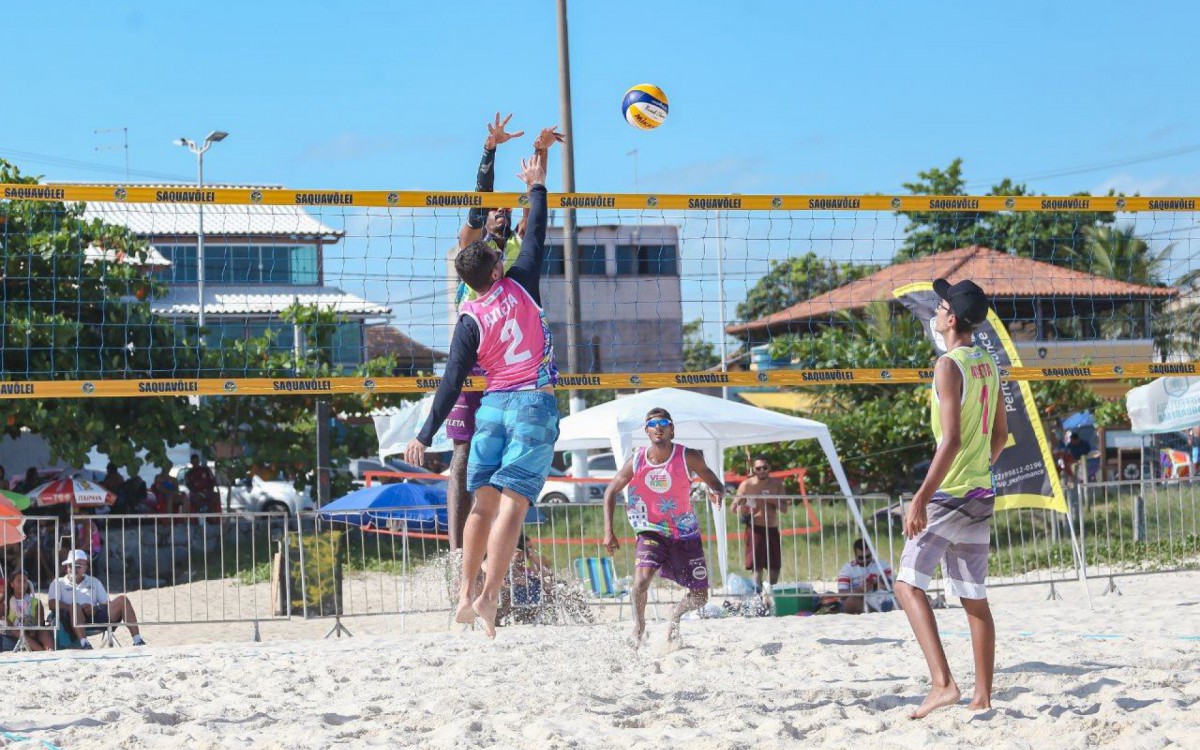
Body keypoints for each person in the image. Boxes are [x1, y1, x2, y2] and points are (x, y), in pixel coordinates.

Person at [405, 135, 563, 639]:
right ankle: (490, 596)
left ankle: (462, 594)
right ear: (495, 266)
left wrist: (423, 433)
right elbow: (536, 228)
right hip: (532, 403)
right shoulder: (521, 281)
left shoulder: (468, 316)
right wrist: (537, 185)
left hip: (491, 405)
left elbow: (452, 379)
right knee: (513, 505)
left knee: (483, 504)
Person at [443, 115, 561, 551]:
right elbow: (479, 204)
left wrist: (542, 150)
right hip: (473, 349)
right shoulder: (470, 244)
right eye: (493, 209)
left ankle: (510, 553)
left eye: (503, 210)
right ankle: (459, 554)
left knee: (514, 461)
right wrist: (489, 149)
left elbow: (538, 211)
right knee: (462, 455)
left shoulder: (512, 251)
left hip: (515, 362)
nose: (497, 213)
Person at [895, 278, 1007, 719]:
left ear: (953, 318)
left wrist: (922, 497)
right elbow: (998, 437)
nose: (933, 313)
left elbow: (952, 439)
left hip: (950, 493)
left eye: (940, 306)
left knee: (906, 585)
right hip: (980, 492)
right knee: (972, 596)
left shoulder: (948, 365)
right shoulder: (990, 362)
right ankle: (983, 696)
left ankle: (942, 684)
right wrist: (979, 472)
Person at [602, 408, 726, 647]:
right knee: (640, 583)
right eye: (652, 423)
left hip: (684, 533)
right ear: (647, 431)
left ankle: (675, 617)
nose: (658, 427)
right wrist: (609, 531)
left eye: (663, 423)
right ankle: (639, 628)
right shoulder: (637, 459)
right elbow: (610, 491)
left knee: (700, 596)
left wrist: (717, 493)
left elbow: (716, 483)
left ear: (672, 429)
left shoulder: (688, 456)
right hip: (651, 529)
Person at [48, 550, 145, 648]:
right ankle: (84, 643)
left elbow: (105, 602)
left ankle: (137, 640)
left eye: (77, 566)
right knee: (75, 606)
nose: (73, 569)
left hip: (94, 613)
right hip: (71, 618)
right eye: (70, 566)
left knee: (122, 600)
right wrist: (71, 607)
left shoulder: (94, 582)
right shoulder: (58, 583)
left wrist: (95, 608)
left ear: (86, 567)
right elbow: (52, 603)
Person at [731, 455, 788, 592]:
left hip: (772, 527)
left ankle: (772, 591)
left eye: (764, 467)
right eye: (758, 468)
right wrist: (741, 506)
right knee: (757, 566)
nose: (761, 470)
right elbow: (734, 507)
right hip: (755, 528)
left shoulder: (777, 484)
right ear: (754, 469)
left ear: (769, 468)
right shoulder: (747, 484)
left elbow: (785, 508)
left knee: (775, 566)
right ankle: (757, 593)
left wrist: (771, 499)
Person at [838, 538, 895, 615]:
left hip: (881, 597)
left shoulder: (882, 565)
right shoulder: (848, 568)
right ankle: (871, 609)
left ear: (872, 553)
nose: (864, 560)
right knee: (850, 602)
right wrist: (859, 590)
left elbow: (895, 586)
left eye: (868, 556)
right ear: (855, 555)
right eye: (861, 558)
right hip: (859, 599)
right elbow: (841, 594)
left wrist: (880, 583)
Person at [5, 569, 52, 651]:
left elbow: (40, 623)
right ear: (12, 584)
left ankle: (50, 651)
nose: (22, 584)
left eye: (25, 581)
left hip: (33, 632)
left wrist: (31, 631)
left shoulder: (36, 602)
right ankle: (41, 651)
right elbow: (9, 625)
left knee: (44, 632)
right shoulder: (6, 604)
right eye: (19, 581)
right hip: (14, 635)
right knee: (17, 631)